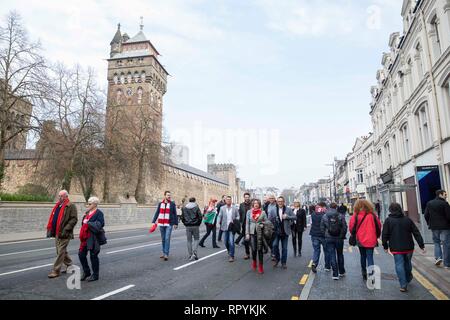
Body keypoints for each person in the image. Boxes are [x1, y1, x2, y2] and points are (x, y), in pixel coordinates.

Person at [382, 203, 426, 292]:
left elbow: (384, 234)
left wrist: (385, 246)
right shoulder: (407, 219)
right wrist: (421, 245)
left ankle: (403, 285)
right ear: (400, 209)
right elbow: (416, 232)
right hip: (409, 247)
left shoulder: (388, 220)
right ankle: (408, 277)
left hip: (396, 247)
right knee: (407, 262)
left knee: (399, 264)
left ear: (390, 210)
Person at [46, 190, 78, 279]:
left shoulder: (70, 206)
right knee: (61, 251)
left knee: (60, 252)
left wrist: (66, 229)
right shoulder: (58, 206)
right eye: (59, 196)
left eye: (61, 196)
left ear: (66, 196)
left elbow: (74, 219)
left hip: (65, 233)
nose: (59, 197)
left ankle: (56, 270)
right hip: (57, 232)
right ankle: (70, 265)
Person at [349, 199, 382, 281]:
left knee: (362, 256)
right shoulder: (372, 215)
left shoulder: (356, 215)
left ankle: (364, 273)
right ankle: (371, 275)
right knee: (370, 257)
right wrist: (377, 236)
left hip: (360, 239)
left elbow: (351, 228)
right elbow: (379, 226)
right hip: (371, 239)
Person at [78, 197, 105, 282]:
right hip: (85, 237)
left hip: (93, 238)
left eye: (89, 204)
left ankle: (95, 275)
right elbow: (83, 224)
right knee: (81, 255)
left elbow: (100, 224)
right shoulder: (87, 213)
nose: (88, 205)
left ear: (95, 204)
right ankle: (86, 272)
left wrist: (89, 223)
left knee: (93, 256)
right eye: (88, 203)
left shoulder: (99, 213)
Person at [320, 203, 347, 280]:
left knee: (332, 255)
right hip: (339, 238)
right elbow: (344, 227)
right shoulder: (340, 215)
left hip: (329, 238)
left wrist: (325, 235)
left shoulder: (325, 216)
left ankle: (335, 274)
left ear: (329, 207)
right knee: (340, 254)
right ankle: (341, 271)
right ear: (336, 207)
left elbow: (322, 227)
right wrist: (342, 235)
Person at [424, 190, 450, 268]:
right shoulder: (445, 203)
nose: (446, 196)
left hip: (434, 227)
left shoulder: (429, 203)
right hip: (445, 227)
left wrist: (429, 223)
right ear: (440, 195)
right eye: (445, 194)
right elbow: (449, 216)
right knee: (446, 244)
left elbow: (426, 215)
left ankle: (438, 258)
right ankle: (447, 264)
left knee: (436, 242)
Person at [269, 196, 296, 269]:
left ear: (284, 202)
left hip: (285, 232)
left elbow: (295, 217)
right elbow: (269, 220)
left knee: (284, 248)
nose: (280, 203)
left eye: (281, 201)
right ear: (277, 202)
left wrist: (287, 217)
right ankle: (277, 259)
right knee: (274, 245)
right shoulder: (273, 210)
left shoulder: (288, 209)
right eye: (279, 201)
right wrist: (272, 226)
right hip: (276, 231)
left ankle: (283, 262)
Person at [151, 191, 178, 261]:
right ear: (164, 196)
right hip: (161, 223)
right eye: (168, 195)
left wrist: (176, 223)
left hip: (169, 223)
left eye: (170, 195)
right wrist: (153, 221)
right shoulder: (160, 204)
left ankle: (166, 254)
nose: (169, 196)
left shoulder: (172, 204)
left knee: (167, 238)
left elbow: (175, 214)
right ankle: (164, 253)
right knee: (163, 239)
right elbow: (157, 212)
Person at [245, 199, 268, 274]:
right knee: (254, 250)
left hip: (260, 233)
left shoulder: (263, 212)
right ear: (252, 204)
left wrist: (262, 224)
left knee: (260, 250)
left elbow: (267, 222)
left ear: (259, 204)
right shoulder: (249, 212)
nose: (256, 204)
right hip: (252, 233)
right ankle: (254, 261)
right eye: (254, 203)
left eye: (257, 203)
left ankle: (260, 266)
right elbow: (247, 223)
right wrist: (247, 233)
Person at [217, 196, 240, 262]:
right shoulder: (222, 208)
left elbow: (238, 216)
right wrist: (218, 223)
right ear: (225, 201)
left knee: (231, 242)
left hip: (232, 228)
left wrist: (235, 220)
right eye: (227, 200)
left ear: (231, 201)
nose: (228, 201)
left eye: (230, 200)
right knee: (225, 241)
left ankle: (232, 256)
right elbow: (219, 216)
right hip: (224, 227)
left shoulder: (235, 208)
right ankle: (229, 250)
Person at [309, 203, 328, 273]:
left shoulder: (313, 215)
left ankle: (314, 263)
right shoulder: (324, 215)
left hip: (314, 234)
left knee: (316, 250)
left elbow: (311, 224)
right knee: (326, 250)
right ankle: (327, 265)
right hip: (323, 235)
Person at [235, 193, 252, 259]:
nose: (247, 198)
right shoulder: (241, 205)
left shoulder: (252, 204)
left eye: (248, 197)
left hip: (252, 224)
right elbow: (240, 214)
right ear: (244, 197)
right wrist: (240, 223)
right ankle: (247, 254)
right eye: (245, 197)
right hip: (244, 224)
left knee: (253, 239)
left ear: (249, 197)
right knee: (246, 240)